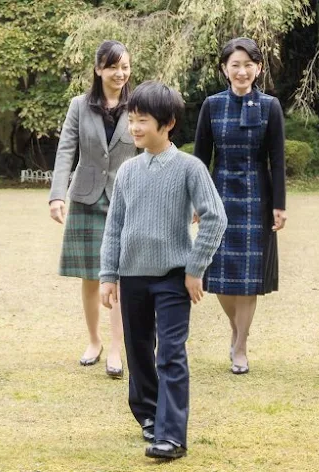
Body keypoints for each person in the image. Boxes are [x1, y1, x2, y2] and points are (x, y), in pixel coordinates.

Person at [100, 81, 227, 460]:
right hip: (132, 276)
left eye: (143, 121)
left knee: (170, 354)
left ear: (167, 123)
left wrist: (195, 268)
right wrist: (108, 275)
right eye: (131, 120)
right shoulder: (127, 172)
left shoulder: (190, 168)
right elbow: (114, 226)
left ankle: (172, 435)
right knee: (138, 353)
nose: (134, 128)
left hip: (173, 278)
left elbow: (215, 218)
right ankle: (149, 417)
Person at [193, 38, 286, 375]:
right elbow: (200, 158)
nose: (242, 70)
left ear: (258, 68)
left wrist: (279, 204)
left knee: (248, 278)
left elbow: (277, 158)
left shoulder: (270, 106)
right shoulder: (212, 105)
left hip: (257, 196)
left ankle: (241, 345)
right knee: (218, 275)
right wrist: (196, 201)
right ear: (224, 69)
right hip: (218, 195)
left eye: (249, 64)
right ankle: (236, 327)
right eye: (236, 65)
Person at [49, 40, 135, 378]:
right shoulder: (79, 106)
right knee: (89, 277)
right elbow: (65, 151)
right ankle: (94, 341)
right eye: (113, 66)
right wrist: (57, 195)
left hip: (126, 200)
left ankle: (116, 347)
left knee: (120, 278)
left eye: (125, 66)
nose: (120, 73)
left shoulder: (138, 104)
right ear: (99, 69)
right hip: (86, 198)